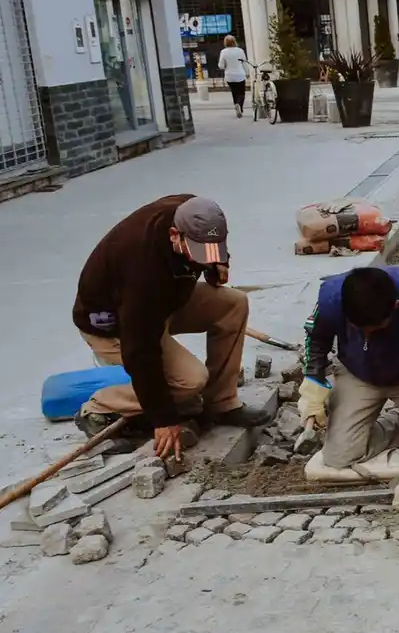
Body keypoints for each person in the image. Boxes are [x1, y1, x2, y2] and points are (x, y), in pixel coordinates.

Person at [73, 195, 275, 460]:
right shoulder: (141, 267)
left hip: (166, 304)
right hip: (114, 326)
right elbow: (140, 351)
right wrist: (163, 418)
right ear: (173, 235)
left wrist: (216, 266)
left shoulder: (195, 214)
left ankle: (221, 403)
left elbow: (211, 250)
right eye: (199, 253)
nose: (204, 259)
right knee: (190, 381)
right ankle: (98, 408)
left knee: (233, 303)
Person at [297, 266, 399, 512]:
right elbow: (316, 336)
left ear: (395, 306)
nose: (367, 334)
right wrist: (313, 380)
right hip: (358, 372)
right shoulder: (334, 298)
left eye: (375, 329)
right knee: (338, 457)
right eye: (360, 329)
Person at [217, 34, 249, 117]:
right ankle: (239, 106)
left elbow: (221, 66)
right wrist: (247, 72)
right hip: (240, 75)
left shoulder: (223, 52)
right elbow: (244, 63)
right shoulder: (240, 51)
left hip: (229, 76)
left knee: (234, 92)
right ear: (234, 42)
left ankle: (236, 105)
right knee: (241, 93)